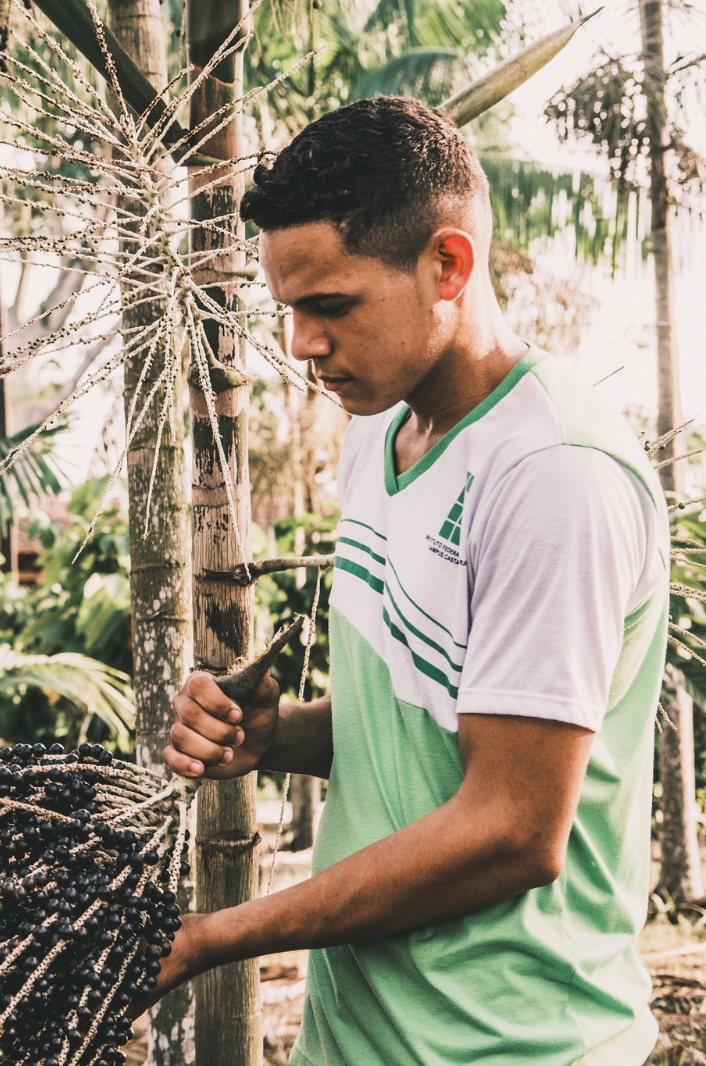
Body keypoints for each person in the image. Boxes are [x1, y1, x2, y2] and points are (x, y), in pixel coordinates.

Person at [157, 97, 668, 1064]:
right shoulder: (376, 436)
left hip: (509, 1047)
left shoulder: (551, 475)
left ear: (448, 265)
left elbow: (513, 827)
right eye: (291, 311)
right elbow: (421, 725)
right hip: (360, 1038)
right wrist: (280, 734)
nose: (302, 344)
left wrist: (219, 936)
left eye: (332, 306)